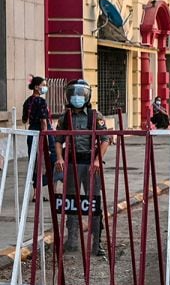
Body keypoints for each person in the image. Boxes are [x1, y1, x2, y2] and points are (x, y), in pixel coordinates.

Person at [53, 79, 110, 258]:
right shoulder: (65, 117)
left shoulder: (95, 116)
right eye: (73, 93)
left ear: (87, 96)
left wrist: (97, 160)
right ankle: (72, 241)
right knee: (71, 203)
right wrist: (60, 158)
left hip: (91, 164)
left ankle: (96, 242)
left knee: (94, 203)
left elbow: (105, 140)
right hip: (71, 163)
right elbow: (58, 140)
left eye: (80, 94)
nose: (77, 97)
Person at [22, 75, 56, 191]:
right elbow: (43, 121)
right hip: (42, 131)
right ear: (37, 87)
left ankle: (36, 191)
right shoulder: (41, 101)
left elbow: (24, 119)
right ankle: (50, 186)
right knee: (51, 158)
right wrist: (46, 135)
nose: (45, 87)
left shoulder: (27, 101)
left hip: (31, 132)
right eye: (44, 85)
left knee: (34, 160)